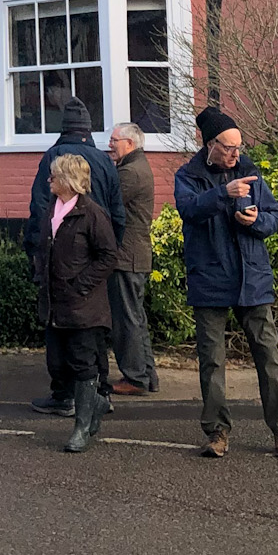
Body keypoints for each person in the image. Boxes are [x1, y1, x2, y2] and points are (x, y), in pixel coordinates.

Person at [173, 105, 278, 459]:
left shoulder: (251, 173)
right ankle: (217, 433)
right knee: (212, 361)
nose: (235, 153)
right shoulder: (188, 176)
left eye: (239, 147)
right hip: (210, 280)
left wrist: (256, 221)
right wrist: (223, 194)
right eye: (228, 147)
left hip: (252, 280)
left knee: (269, 357)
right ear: (209, 144)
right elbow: (189, 210)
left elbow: (274, 217)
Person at [23, 89, 125, 417]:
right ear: (88, 129)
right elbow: (119, 214)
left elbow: (40, 211)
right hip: (97, 258)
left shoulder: (53, 159)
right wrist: (109, 249)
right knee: (94, 329)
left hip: (63, 259)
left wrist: (35, 254)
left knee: (60, 330)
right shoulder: (105, 163)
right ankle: (101, 391)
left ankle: (65, 394)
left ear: (64, 128)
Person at [34, 151, 120, 452]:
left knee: (83, 364)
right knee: (58, 363)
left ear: (69, 181)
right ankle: (96, 402)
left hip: (83, 307)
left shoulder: (93, 214)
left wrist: (81, 284)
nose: (50, 180)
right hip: (55, 303)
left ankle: (81, 428)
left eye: (55, 176)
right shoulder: (52, 208)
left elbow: (109, 256)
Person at [106, 121, 159, 395]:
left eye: (114, 140)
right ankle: (147, 375)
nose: (110, 145)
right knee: (136, 317)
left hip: (127, 257)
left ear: (130, 143)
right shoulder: (136, 167)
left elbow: (107, 202)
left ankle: (135, 378)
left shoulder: (131, 173)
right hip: (134, 255)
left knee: (126, 320)